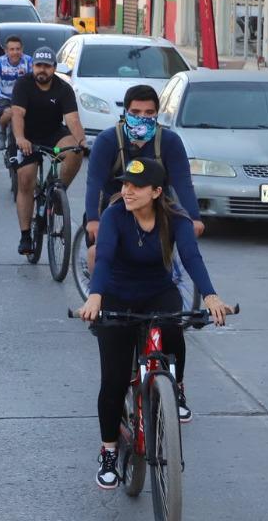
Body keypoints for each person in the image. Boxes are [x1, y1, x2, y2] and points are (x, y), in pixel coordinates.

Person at [79, 158, 231, 486]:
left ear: (157, 192)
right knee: (114, 379)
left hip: (157, 293)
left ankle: (175, 386)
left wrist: (210, 296)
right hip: (116, 297)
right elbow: (103, 258)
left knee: (174, 325)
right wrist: (95, 295)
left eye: (136, 187)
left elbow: (191, 257)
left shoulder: (175, 218)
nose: (127, 191)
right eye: (125, 185)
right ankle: (108, 451)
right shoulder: (114, 215)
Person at [83, 84, 203, 280]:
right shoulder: (107, 141)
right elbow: (94, 183)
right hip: (114, 206)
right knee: (99, 254)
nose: (142, 117)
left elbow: (182, 183)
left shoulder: (170, 142)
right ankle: (99, 301)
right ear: (125, 113)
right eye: (135, 112)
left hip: (156, 207)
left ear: (157, 114)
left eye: (149, 113)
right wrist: (93, 220)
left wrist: (194, 217)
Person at [9, 46, 85, 256]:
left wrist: (81, 141)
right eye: (38, 65)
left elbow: (72, 120)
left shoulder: (63, 88)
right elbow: (17, 115)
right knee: (26, 178)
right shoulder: (23, 85)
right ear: (32, 66)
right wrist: (20, 138)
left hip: (53, 134)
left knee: (74, 151)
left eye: (47, 66)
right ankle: (26, 235)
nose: (42, 70)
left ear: (54, 68)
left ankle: (59, 192)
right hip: (27, 136)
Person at [0, 35, 32, 142]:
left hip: (22, 97)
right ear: (6, 51)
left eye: (18, 49)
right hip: (4, 96)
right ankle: (3, 130)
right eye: (12, 49)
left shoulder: (28, 60)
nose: (15, 52)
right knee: (10, 113)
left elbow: (34, 81)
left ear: (22, 49)